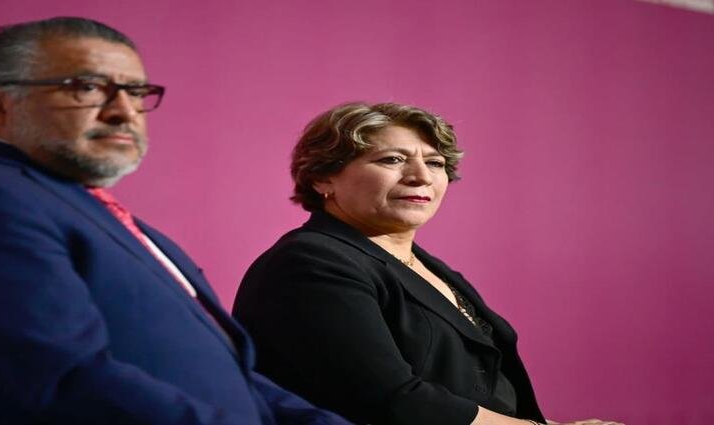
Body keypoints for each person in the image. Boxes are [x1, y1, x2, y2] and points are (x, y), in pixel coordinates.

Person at [0, 17, 350, 425]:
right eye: (86, 87)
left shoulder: (83, 207)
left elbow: (232, 377)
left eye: (136, 91)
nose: (124, 111)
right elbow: (68, 382)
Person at [233, 103, 624, 425]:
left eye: (435, 163)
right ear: (323, 179)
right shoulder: (310, 262)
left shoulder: (429, 268)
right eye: (392, 159)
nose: (421, 176)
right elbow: (392, 400)